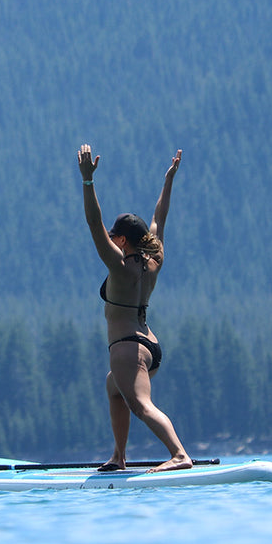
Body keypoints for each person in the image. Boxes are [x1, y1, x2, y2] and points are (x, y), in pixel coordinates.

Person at [77, 143, 192, 472]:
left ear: (123, 241)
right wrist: (168, 179)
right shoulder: (153, 258)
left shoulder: (119, 265)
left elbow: (92, 222)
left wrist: (88, 181)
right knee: (115, 387)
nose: (109, 238)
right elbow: (160, 216)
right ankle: (119, 456)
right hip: (150, 346)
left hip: (128, 347)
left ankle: (179, 454)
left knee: (141, 405)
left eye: (115, 235)